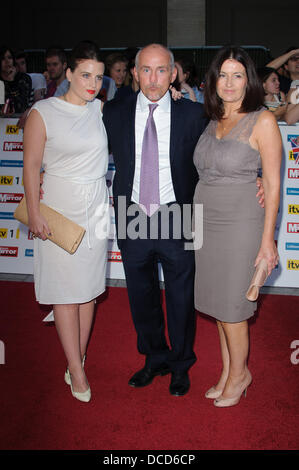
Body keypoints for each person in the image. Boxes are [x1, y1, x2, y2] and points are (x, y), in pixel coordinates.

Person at [103, 43, 207, 397]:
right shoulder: (113, 111)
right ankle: (154, 359)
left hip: (178, 214)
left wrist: (256, 175)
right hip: (132, 214)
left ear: (173, 73)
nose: (153, 78)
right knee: (141, 296)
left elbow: (225, 144)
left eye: (161, 70)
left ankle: (180, 364)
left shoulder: (193, 114)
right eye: (145, 70)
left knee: (180, 296)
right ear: (134, 73)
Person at [193, 46, 281, 407]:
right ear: (214, 81)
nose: (229, 83)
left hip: (240, 222)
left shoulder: (263, 121)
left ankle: (241, 374)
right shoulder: (212, 120)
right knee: (219, 306)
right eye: (223, 75)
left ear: (250, 81)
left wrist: (267, 242)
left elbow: (274, 184)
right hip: (205, 221)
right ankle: (228, 372)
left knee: (233, 307)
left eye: (238, 75)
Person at [23, 40, 109, 403]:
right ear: (69, 73)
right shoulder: (43, 111)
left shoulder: (101, 110)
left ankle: (80, 355)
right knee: (64, 292)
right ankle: (76, 369)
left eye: (99, 77)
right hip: (59, 206)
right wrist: (35, 212)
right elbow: (30, 167)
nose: (93, 83)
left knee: (88, 291)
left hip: (98, 207)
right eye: (85, 74)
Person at [0, 45, 32, 114]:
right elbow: (3, 108)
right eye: (3, 58)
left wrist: (12, 81)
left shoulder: (24, 78)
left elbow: (22, 107)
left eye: (9, 57)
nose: (7, 61)